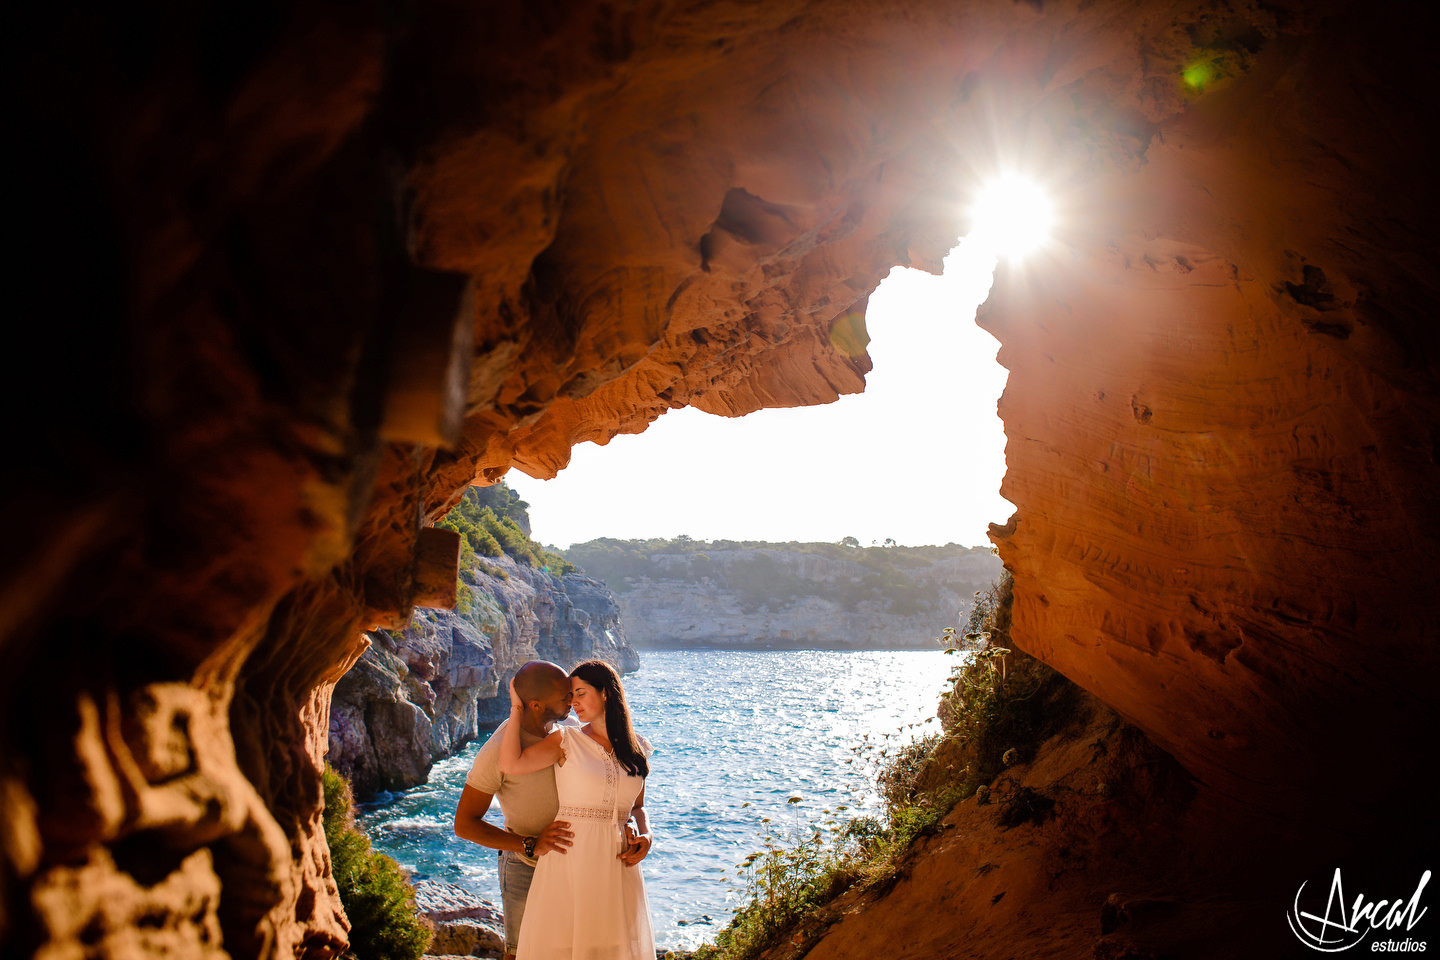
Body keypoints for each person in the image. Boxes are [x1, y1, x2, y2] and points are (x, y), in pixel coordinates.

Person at [500, 659, 655, 960]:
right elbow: (511, 764)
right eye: (571, 696)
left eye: (581, 693)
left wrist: (647, 835)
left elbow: (637, 807)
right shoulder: (566, 740)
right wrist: (516, 708)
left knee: (612, 950)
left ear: (606, 693)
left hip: (619, 866)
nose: (574, 702)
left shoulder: (637, 749)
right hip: (571, 859)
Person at [453, 661, 578, 960]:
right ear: (535, 705)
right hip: (526, 868)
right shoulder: (497, 750)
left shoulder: (569, 729)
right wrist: (530, 845)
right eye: (565, 697)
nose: (572, 701)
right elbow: (464, 824)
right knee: (522, 953)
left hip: (574, 867)